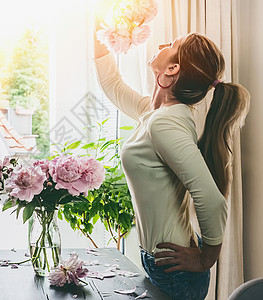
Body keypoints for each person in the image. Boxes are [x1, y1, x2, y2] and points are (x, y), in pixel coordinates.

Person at [94, 32, 250, 299]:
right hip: (164, 262)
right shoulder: (155, 114)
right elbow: (113, 85)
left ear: (173, 69)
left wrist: (206, 259)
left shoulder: (164, 123)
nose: (163, 44)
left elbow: (211, 200)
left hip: (174, 270)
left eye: (172, 45)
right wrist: (101, 30)